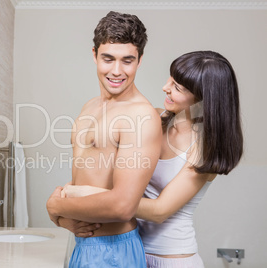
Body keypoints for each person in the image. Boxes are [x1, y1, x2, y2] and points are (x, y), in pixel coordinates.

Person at [49, 50, 243, 268]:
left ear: (204, 100)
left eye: (177, 87)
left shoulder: (204, 148)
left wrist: (90, 194)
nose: (166, 87)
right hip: (131, 248)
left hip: (172, 259)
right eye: (171, 79)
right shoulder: (153, 119)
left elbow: (160, 211)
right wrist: (64, 215)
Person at [46, 11, 162, 267]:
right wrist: (62, 219)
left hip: (114, 253)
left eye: (127, 60)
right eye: (108, 59)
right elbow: (88, 177)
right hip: (84, 247)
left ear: (140, 61)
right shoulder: (89, 107)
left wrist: (55, 207)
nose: (117, 71)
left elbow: (123, 206)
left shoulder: (142, 115)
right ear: (94, 55)